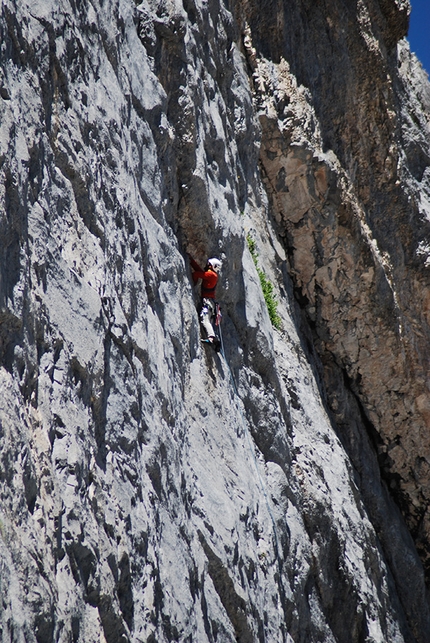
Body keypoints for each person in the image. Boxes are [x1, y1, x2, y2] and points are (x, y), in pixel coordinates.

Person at [189, 255, 222, 347]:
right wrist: (191, 261)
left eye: (209, 264)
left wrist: (193, 283)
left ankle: (211, 338)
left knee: (205, 320)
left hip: (207, 302)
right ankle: (215, 340)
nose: (207, 265)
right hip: (210, 302)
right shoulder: (212, 274)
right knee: (207, 320)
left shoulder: (211, 275)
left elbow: (197, 274)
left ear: (212, 266)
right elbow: (200, 272)